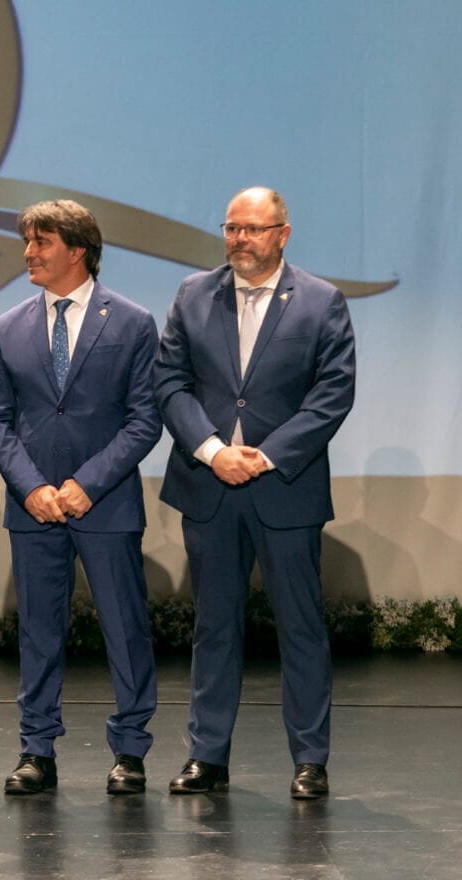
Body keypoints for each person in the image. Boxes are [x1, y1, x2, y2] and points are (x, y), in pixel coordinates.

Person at [155, 187, 355, 799]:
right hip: (209, 484)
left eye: (253, 229)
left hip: (284, 487)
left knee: (300, 626)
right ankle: (208, 757)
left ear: (283, 234)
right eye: (232, 228)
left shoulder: (321, 302)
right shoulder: (194, 294)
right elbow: (169, 381)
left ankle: (309, 759)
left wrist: (264, 456)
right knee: (215, 626)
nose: (240, 239)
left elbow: (332, 394)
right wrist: (214, 450)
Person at [0, 200, 161, 796]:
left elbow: (144, 420)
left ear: (77, 250)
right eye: (27, 241)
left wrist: (87, 484)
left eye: (41, 242)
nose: (28, 252)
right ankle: (36, 750)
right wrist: (32, 488)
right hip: (33, 509)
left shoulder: (132, 323)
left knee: (125, 629)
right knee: (38, 631)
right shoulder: (9, 326)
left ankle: (130, 752)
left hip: (104, 505)